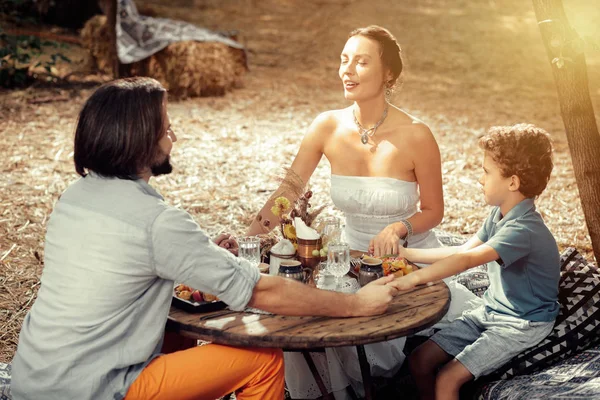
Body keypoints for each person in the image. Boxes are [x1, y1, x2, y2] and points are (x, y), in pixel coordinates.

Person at [10, 77, 399, 400]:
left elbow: (115, 260)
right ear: (140, 139)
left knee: (175, 336)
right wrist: (357, 305)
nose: (173, 136)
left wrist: (202, 254)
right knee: (262, 360)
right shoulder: (157, 222)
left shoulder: (75, 196)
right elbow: (261, 292)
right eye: (166, 128)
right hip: (93, 389)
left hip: (35, 377)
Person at [247, 25, 476, 399]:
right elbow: (287, 192)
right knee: (304, 321)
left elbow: (434, 211)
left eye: (361, 61)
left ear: (388, 73)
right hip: (344, 261)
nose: (347, 70)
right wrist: (249, 240)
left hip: (406, 260)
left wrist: (400, 227)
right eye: (344, 59)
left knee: (366, 338)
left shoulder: (418, 134)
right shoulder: (327, 125)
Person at [390, 124, 559, 400]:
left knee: (447, 379)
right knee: (419, 360)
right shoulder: (500, 213)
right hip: (490, 309)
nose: (480, 179)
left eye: (486, 171)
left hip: (520, 323)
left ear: (512, 182)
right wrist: (409, 256)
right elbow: (463, 249)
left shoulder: (524, 230)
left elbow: (468, 260)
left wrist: (414, 278)